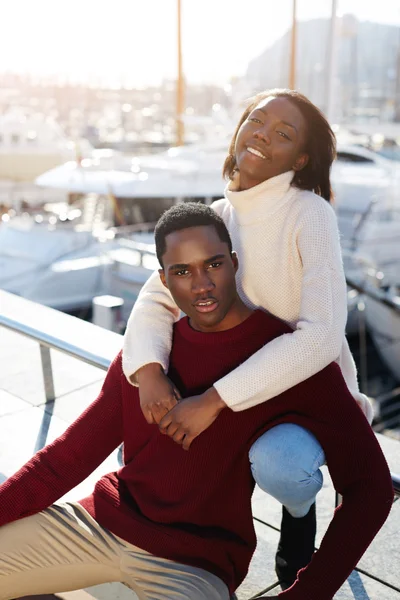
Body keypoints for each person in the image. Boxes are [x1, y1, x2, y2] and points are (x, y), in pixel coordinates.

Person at [0, 204, 393, 600]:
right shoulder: (147, 354)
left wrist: (308, 593)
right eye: (182, 272)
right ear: (163, 280)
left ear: (235, 263)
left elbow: (371, 487)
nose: (201, 284)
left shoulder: (287, 358)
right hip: (101, 524)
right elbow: (66, 458)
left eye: (214, 265)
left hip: (194, 563)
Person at [122, 88, 374, 588]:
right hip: (238, 388)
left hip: (304, 390)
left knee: (280, 466)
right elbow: (157, 297)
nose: (263, 134)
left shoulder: (310, 213)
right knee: (147, 424)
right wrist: (148, 371)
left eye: (283, 134)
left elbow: (322, 337)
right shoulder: (220, 216)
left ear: (300, 159)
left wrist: (213, 400)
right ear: (239, 128)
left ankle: (299, 513)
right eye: (257, 121)